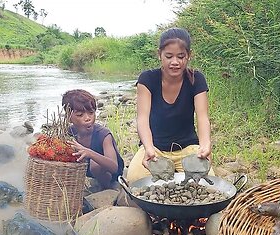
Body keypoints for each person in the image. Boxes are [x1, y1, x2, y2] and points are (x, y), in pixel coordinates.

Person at [127, 27, 214, 182]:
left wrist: (205, 145)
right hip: (155, 148)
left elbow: (202, 117)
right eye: (169, 56)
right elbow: (142, 118)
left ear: (189, 55)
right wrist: (148, 147)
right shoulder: (147, 79)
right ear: (159, 54)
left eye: (181, 56)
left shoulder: (196, 79)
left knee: (207, 181)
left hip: (187, 148)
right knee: (135, 179)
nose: (175, 62)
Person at [62, 89, 124, 191]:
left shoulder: (103, 135)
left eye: (91, 113)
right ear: (68, 117)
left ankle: (105, 188)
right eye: (80, 115)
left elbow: (114, 167)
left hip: (110, 175)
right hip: (88, 172)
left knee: (95, 165)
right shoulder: (69, 133)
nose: (87, 118)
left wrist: (90, 153)